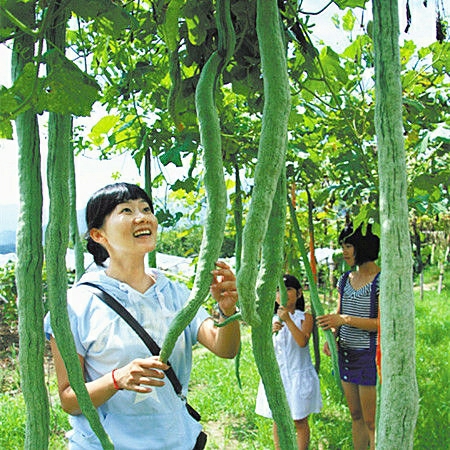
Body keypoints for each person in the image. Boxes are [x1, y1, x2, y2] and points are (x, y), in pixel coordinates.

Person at [44, 182, 240, 450]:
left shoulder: (176, 292)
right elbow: (69, 399)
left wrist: (228, 311)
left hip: (177, 441)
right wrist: (118, 379)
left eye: (146, 208)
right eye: (126, 210)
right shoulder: (76, 305)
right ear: (98, 235)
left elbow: (225, 348)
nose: (143, 216)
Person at [317, 223, 380, 450]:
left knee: (372, 421)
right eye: (342, 245)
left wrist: (344, 320)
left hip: (368, 357)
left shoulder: (381, 281)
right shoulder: (345, 279)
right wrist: (332, 335)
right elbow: (339, 312)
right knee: (355, 415)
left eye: (349, 245)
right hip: (346, 355)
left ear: (363, 246)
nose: (344, 251)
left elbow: (381, 324)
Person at [255, 274, 322, 450]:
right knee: (279, 419)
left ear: (299, 293)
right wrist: (269, 332)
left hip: (298, 376)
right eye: (278, 290)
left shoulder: (305, 317)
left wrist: (288, 320)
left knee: (299, 421)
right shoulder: (269, 319)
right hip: (279, 377)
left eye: (288, 289)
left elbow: (302, 342)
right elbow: (261, 348)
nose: (282, 294)